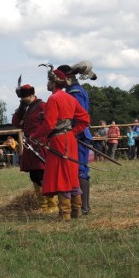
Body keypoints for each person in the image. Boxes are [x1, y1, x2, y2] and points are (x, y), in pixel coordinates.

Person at [34, 65, 90, 221]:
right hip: (69, 140)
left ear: (54, 81)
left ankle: (64, 214)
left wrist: (36, 135)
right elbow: (84, 119)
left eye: (48, 80)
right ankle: (75, 211)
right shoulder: (70, 98)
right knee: (71, 174)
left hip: (59, 140)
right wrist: (72, 132)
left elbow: (50, 125)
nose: (47, 83)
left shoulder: (53, 98)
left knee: (62, 176)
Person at [11, 83, 58, 214]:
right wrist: (21, 107)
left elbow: (50, 123)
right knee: (34, 175)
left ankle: (52, 204)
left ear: (32, 95)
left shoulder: (42, 105)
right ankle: (43, 206)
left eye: (24, 99)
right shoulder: (26, 108)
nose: (22, 101)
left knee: (42, 174)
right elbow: (15, 122)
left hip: (41, 143)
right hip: (30, 144)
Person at [57, 61, 96, 215]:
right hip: (77, 133)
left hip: (78, 134)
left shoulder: (74, 92)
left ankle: (84, 208)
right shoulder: (77, 90)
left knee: (80, 170)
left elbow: (77, 115)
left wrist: (70, 132)